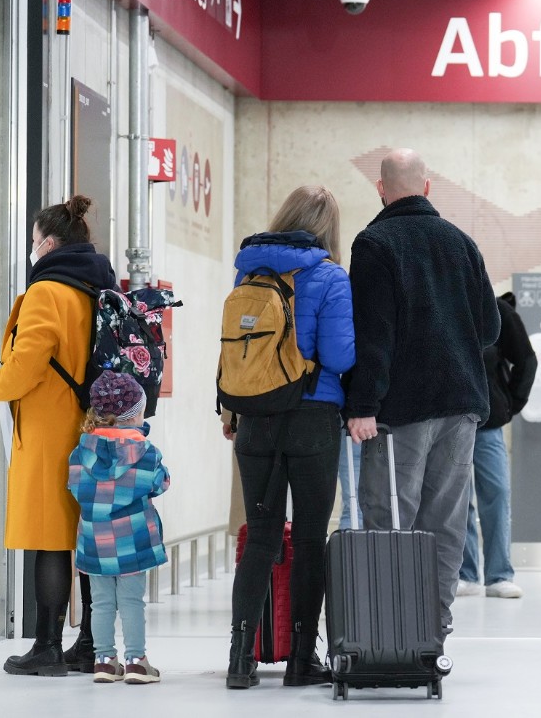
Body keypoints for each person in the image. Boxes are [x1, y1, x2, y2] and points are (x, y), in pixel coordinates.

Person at [344, 148, 499, 647]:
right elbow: (490, 327)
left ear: (381, 189)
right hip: (461, 406)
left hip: (399, 412)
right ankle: (434, 626)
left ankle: (389, 629)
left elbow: (374, 334)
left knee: (388, 515)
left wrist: (362, 405)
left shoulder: (374, 243)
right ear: (428, 188)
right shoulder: (463, 243)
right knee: (446, 521)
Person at [223, 185, 355, 690]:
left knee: (260, 537)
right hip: (312, 418)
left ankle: (240, 657)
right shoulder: (329, 275)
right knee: (307, 538)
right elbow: (340, 357)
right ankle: (302, 658)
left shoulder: (249, 272)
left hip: (254, 418)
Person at [0, 196, 116, 677]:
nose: (32, 250)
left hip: (50, 429)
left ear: (50, 243)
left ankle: (46, 647)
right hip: (94, 427)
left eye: (34, 242)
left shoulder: (47, 292)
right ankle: (90, 644)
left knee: (50, 538)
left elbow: (26, 365)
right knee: (86, 537)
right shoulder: (95, 289)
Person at [67, 371, 170, 684]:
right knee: (130, 601)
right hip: (133, 539)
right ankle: (136, 661)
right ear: (135, 413)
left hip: (95, 540)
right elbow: (160, 482)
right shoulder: (145, 452)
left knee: (100, 603)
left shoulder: (80, 452)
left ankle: (104, 660)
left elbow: (75, 487)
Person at [456, 292, 537, 599]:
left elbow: (526, 360)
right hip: (450, 422)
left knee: (497, 492)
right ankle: (466, 573)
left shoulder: (498, 310)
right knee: (457, 499)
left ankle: (499, 575)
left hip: (488, 423)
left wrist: (511, 404)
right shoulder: (445, 303)